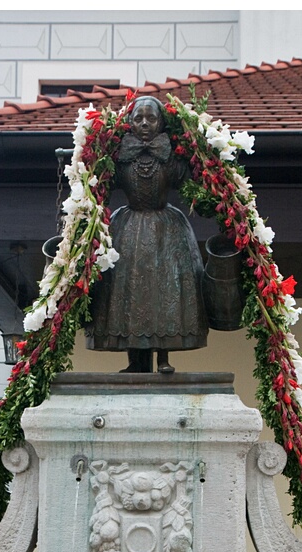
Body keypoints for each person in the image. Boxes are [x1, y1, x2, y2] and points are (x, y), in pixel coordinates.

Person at [85, 96, 208, 373]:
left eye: (150, 118)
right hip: (126, 229)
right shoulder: (120, 158)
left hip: (166, 230)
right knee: (129, 291)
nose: (144, 124)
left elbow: (191, 186)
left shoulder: (170, 158)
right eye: (138, 118)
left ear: (161, 122)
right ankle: (134, 362)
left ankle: (163, 357)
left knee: (163, 289)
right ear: (129, 123)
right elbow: (99, 186)